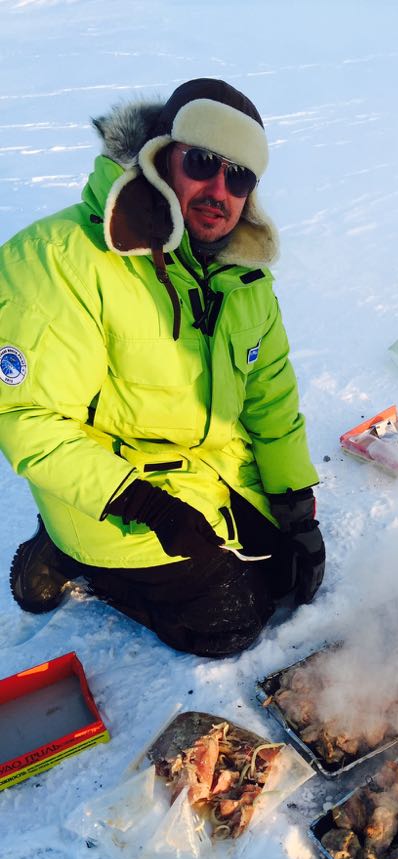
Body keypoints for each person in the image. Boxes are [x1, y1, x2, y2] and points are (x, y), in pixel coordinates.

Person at [0, 78, 325, 657]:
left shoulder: (244, 277)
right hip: (114, 492)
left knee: (287, 580)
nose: (218, 190)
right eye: (202, 162)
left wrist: (296, 508)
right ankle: (68, 549)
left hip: (205, 469)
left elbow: (270, 398)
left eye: (240, 177)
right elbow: (28, 419)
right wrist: (144, 505)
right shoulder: (58, 259)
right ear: (160, 155)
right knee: (229, 625)